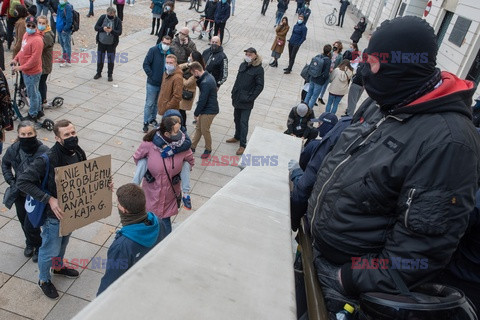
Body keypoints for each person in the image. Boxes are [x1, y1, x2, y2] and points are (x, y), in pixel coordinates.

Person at [305, 16, 480, 314]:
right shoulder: (385, 99)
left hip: (348, 284)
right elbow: (338, 160)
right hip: (316, 249)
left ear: (402, 66)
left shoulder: (449, 142)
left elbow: (423, 249)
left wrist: (349, 278)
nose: (365, 70)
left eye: (373, 62)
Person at [17, 119, 88, 299]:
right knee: (49, 249)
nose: (72, 137)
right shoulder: (47, 159)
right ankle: (43, 280)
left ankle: (57, 267)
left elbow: (85, 177)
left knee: (63, 244)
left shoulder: (78, 152)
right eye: (67, 135)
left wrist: (102, 185)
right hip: (53, 216)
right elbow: (23, 181)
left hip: (70, 212)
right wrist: (49, 199)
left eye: (73, 133)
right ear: (57, 138)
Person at [97, 183, 166, 296]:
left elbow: (110, 281)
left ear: (124, 210)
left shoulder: (121, 246)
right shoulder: (158, 222)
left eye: (118, 204)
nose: (116, 205)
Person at [134, 116, 195, 235]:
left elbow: (190, 161)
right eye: (176, 131)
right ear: (167, 133)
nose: (181, 134)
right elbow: (138, 157)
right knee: (147, 226)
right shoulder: (149, 144)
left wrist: (179, 174)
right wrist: (147, 173)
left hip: (169, 194)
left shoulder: (183, 146)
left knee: (165, 228)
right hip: (152, 192)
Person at [2, 121, 48, 263]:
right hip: (19, 194)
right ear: (18, 135)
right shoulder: (14, 149)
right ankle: (30, 242)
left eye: (29, 134)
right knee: (23, 220)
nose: (26, 137)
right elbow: (5, 164)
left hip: (35, 195)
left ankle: (39, 245)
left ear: (35, 134)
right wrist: (11, 180)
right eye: (23, 134)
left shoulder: (44, 151)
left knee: (32, 223)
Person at [227, 47, 264, 155]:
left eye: (250, 55)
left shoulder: (258, 69)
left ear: (255, 56)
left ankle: (243, 145)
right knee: (236, 119)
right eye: (247, 54)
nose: (248, 56)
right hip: (237, 98)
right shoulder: (243, 65)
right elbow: (238, 80)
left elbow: (260, 86)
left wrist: (250, 98)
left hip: (246, 101)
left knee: (243, 122)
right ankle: (237, 136)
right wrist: (233, 92)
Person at [11, 16, 44, 122]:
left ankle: (33, 114)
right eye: (28, 25)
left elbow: (34, 59)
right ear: (25, 25)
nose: (30, 27)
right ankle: (38, 110)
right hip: (26, 70)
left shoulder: (37, 40)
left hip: (32, 72)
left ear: (36, 26)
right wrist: (15, 59)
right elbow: (22, 50)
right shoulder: (26, 35)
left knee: (32, 93)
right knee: (35, 91)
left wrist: (20, 67)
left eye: (33, 26)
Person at [142, 36, 173, 133]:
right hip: (152, 83)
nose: (166, 45)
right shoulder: (153, 50)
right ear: (161, 42)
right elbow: (146, 64)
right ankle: (145, 122)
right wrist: (151, 75)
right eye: (165, 43)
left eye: (168, 44)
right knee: (149, 103)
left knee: (157, 103)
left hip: (163, 84)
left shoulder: (171, 53)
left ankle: (152, 119)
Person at [189, 61, 219, 159]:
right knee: (199, 128)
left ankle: (208, 149)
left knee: (205, 130)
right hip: (208, 108)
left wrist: (196, 113)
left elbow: (202, 100)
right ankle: (192, 147)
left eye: (193, 74)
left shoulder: (205, 82)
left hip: (209, 110)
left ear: (196, 71)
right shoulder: (208, 76)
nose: (193, 76)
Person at [93, 7, 123, 82]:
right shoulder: (103, 17)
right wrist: (103, 29)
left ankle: (110, 74)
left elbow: (119, 32)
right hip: (101, 42)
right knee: (100, 59)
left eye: (112, 14)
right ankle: (98, 73)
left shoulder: (117, 20)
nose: (110, 15)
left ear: (114, 14)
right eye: (109, 14)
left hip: (111, 44)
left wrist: (112, 31)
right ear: (106, 12)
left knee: (110, 60)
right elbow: (96, 27)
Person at [178, 51, 204, 127]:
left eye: (190, 56)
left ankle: (183, 126)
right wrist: (187, 64)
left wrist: (179, 77)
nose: (189, 57)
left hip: (187, 93)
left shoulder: (197, 73)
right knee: (180, 110)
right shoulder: (191, 66)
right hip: (183, 91)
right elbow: (178, 67)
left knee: (182, 111)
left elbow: (187, 83)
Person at [303, 44, 331, 109]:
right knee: (314, 97)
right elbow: (326, 74)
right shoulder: (328, 60)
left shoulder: (318, 56)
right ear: (329, 52)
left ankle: (304, 107)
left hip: (313, 77)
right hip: (320, 81)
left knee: (309, 93)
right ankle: (309, 110)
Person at [317, 41, 343, 105]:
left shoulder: (340, 56)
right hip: (325, 70)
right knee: (320, 84)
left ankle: (321, 97)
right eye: (335, 45)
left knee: (325, 85)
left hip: (331, 72)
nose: (335, 47)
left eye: (337, 46)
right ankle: (317, 96)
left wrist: (334, 69)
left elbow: (340, 65)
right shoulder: (330, 52)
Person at [37, 15, 54, 109]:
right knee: (40, 82)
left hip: (45, 63)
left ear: (46, 24)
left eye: (43, 23)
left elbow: (39, 47)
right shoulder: (40, 33)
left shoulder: (47, 35)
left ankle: (43, 100)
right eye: (39, 23)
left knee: (41, 82)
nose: (41, 25)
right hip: (41, 63)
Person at [56, 0, 73, 67]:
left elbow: (69, 20)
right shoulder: (59, 6)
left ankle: (68, 60)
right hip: (59, 28)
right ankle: (64, 57)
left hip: (64, 30)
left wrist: (65, 29)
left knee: (67, 45)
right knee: (63, 45)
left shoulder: (68, 7)